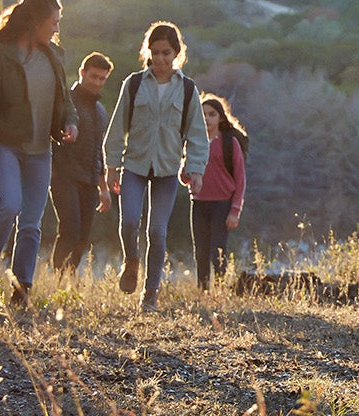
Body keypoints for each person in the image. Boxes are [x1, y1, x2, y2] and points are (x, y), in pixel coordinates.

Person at [0, 0, 78, 306]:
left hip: (40, 150)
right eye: (53, 23)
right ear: (35, 22)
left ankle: (21, 291)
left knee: (31, 222)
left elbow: (65, 100)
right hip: (5, 146)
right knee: (9, 205)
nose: (57, 29)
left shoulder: (54, 55)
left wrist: (70, 122)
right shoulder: (0, 54)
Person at [103, 21, 208, 312]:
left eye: (166, 53)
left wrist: (195, 169)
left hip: (167, 170)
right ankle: (131, 260)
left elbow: (197, 135)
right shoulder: (134, 83)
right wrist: (111, 166)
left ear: (176, 53)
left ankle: (150, 292)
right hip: (134, 165)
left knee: (157, 231)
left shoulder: (187, 90)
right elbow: (116, 129)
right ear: (148, 52)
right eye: (155, 52)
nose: (160, 59)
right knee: (129, 222)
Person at [49, 52, 114, 274]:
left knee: (83, 236)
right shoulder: (66, 101)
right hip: (63, 176)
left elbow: (99, 151)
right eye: (93, 76)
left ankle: (68, 279)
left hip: (88, 180)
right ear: (82, 73)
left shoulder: (101, 110)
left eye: (102, 78)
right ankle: (58, 280)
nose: (97, 82)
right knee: (70, 230)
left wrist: (103, 188)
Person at [191, 94, 248, 291]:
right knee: (200, 250)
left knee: (218, 250)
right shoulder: (194, 142)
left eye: (211, 114)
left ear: (221, 118)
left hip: (222, 203)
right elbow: (185, 176)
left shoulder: (230, 143)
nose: (206, 118)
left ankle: (222, 290)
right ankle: (203, 290)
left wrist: (235, 210)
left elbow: (240, 179)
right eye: (203, 114)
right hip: (199, 203)